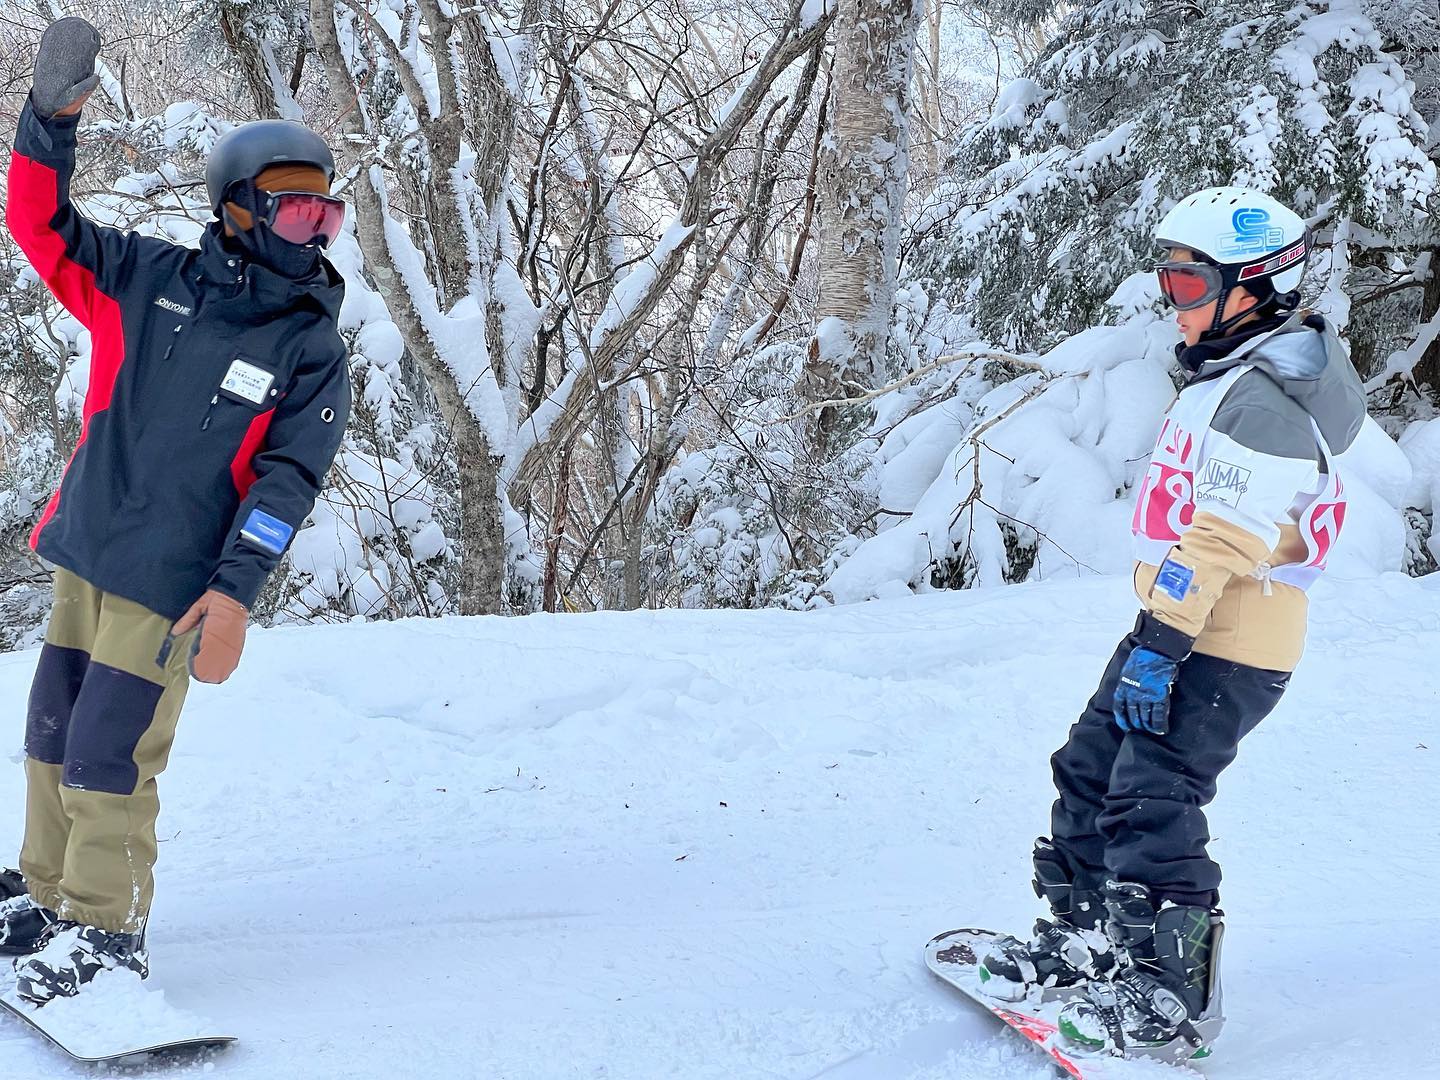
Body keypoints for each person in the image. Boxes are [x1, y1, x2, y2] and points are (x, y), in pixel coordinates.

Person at [0, 17, 351, 1003]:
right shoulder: (145, 280)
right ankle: (44, 894)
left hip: (172, 584)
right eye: (292, 213)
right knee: (52, 732)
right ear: (238, 209)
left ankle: (106, 934)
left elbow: (287, 486)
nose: (311, 231)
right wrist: (48, 122)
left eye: (322, 217)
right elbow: (42, 227)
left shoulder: (307, 350)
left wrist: (235, 594)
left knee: (112, 751)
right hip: (88, 551)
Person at [976, 186, 1366, 1059]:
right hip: (1177, 623)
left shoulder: (1268, 399)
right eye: (1168, 281)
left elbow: (1222, 536)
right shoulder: (1235, 375)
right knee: (1088, 767)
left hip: (1228, 640)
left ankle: (1170, 994)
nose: (1173, 303)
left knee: (1152, 794)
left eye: (1190, 285)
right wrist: (1158, 632)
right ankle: (1088, 943)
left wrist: (1161, 644)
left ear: (1252, 285)